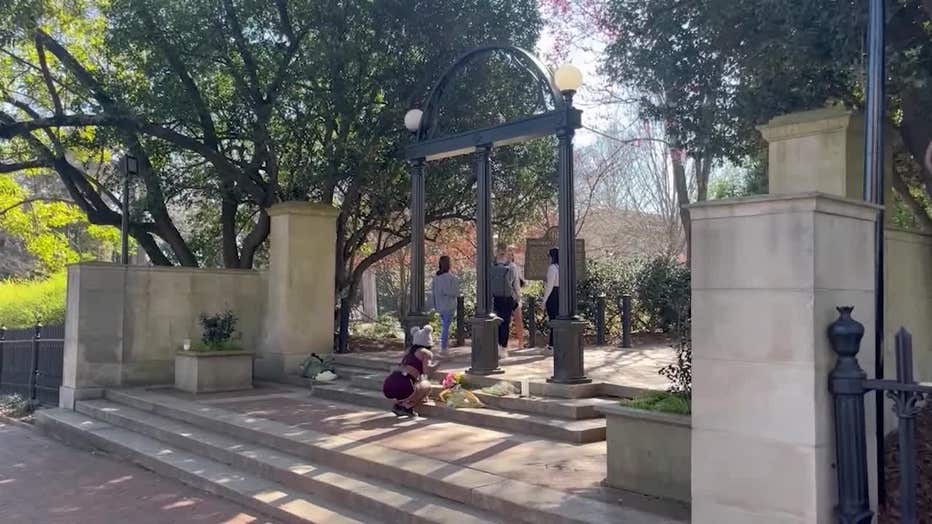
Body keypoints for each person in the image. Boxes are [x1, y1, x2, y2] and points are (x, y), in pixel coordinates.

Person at [382, 325, 435, 417]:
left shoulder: (409, 350)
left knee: (408, 386)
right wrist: (441, 363)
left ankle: (398, 404)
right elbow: (427, 372)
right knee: (427, 385)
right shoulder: (426, 352)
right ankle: (407, 407)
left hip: (390, 382)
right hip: (405, 383)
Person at [490, 243, 520, 358]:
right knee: (506, 322)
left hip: (496, 298)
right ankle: (503, 348)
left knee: (497, 322)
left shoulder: (492, 266)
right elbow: (515, 284)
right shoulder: (511, 266)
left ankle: (497, 346)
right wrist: (517, 296)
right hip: (507, 298)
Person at [430, 256, 459, 355]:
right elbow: (452, 292)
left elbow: (433, 292)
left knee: (444, 326)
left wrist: (435, 304)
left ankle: (443, 345)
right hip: (449, 305)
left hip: (440, 305)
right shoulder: (450, 278)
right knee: (445, 327)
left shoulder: (436, 278)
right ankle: (443, 347)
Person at [506, 245, 525, 349]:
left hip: (511, 297)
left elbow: (519, 282)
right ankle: (519, 343)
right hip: (513, 297)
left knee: (514, 320)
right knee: (515, 321)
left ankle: (520, 343)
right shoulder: (512, 267)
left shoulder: (512, 267)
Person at [543, 247, 559, 352]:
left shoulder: (552, 268)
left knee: (552, 320)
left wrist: (544, 300)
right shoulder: (561, 267)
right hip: (559, 294)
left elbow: (550, 286)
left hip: (552, 295)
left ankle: (552, 345)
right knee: (557, 320)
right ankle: (555, 343)